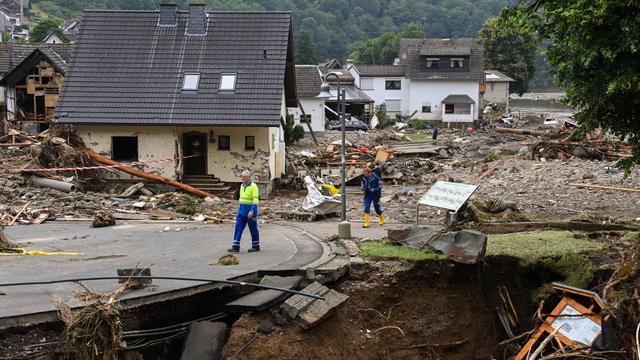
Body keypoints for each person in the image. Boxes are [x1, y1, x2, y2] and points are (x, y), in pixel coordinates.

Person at [228, 170, 260, 253]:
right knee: (238, 228)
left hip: (250, 211)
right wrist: (239, 210)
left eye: (244, 176)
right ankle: (235, 246)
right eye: (242, 176)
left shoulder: (254, 186)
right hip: (242, 210)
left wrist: (252, 211)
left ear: (249, 177)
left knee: (253, 229)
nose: (243, 178)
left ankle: (256, 246)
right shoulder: (242, 185)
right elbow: (242, 199)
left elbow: (255, 200)